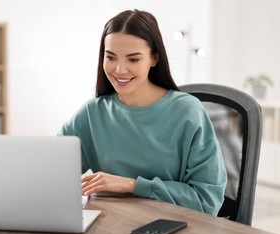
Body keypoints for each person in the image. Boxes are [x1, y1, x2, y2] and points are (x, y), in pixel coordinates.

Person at [58, 9, 227, 216]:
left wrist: (133, 185)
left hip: (174, 230)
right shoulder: (92, 113)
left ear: (154, 58)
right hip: (112, 227)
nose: (119, 70)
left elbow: (206, 201)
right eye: (110, 57)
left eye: (133, 59)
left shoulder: (187, 112)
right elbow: (51, 173)